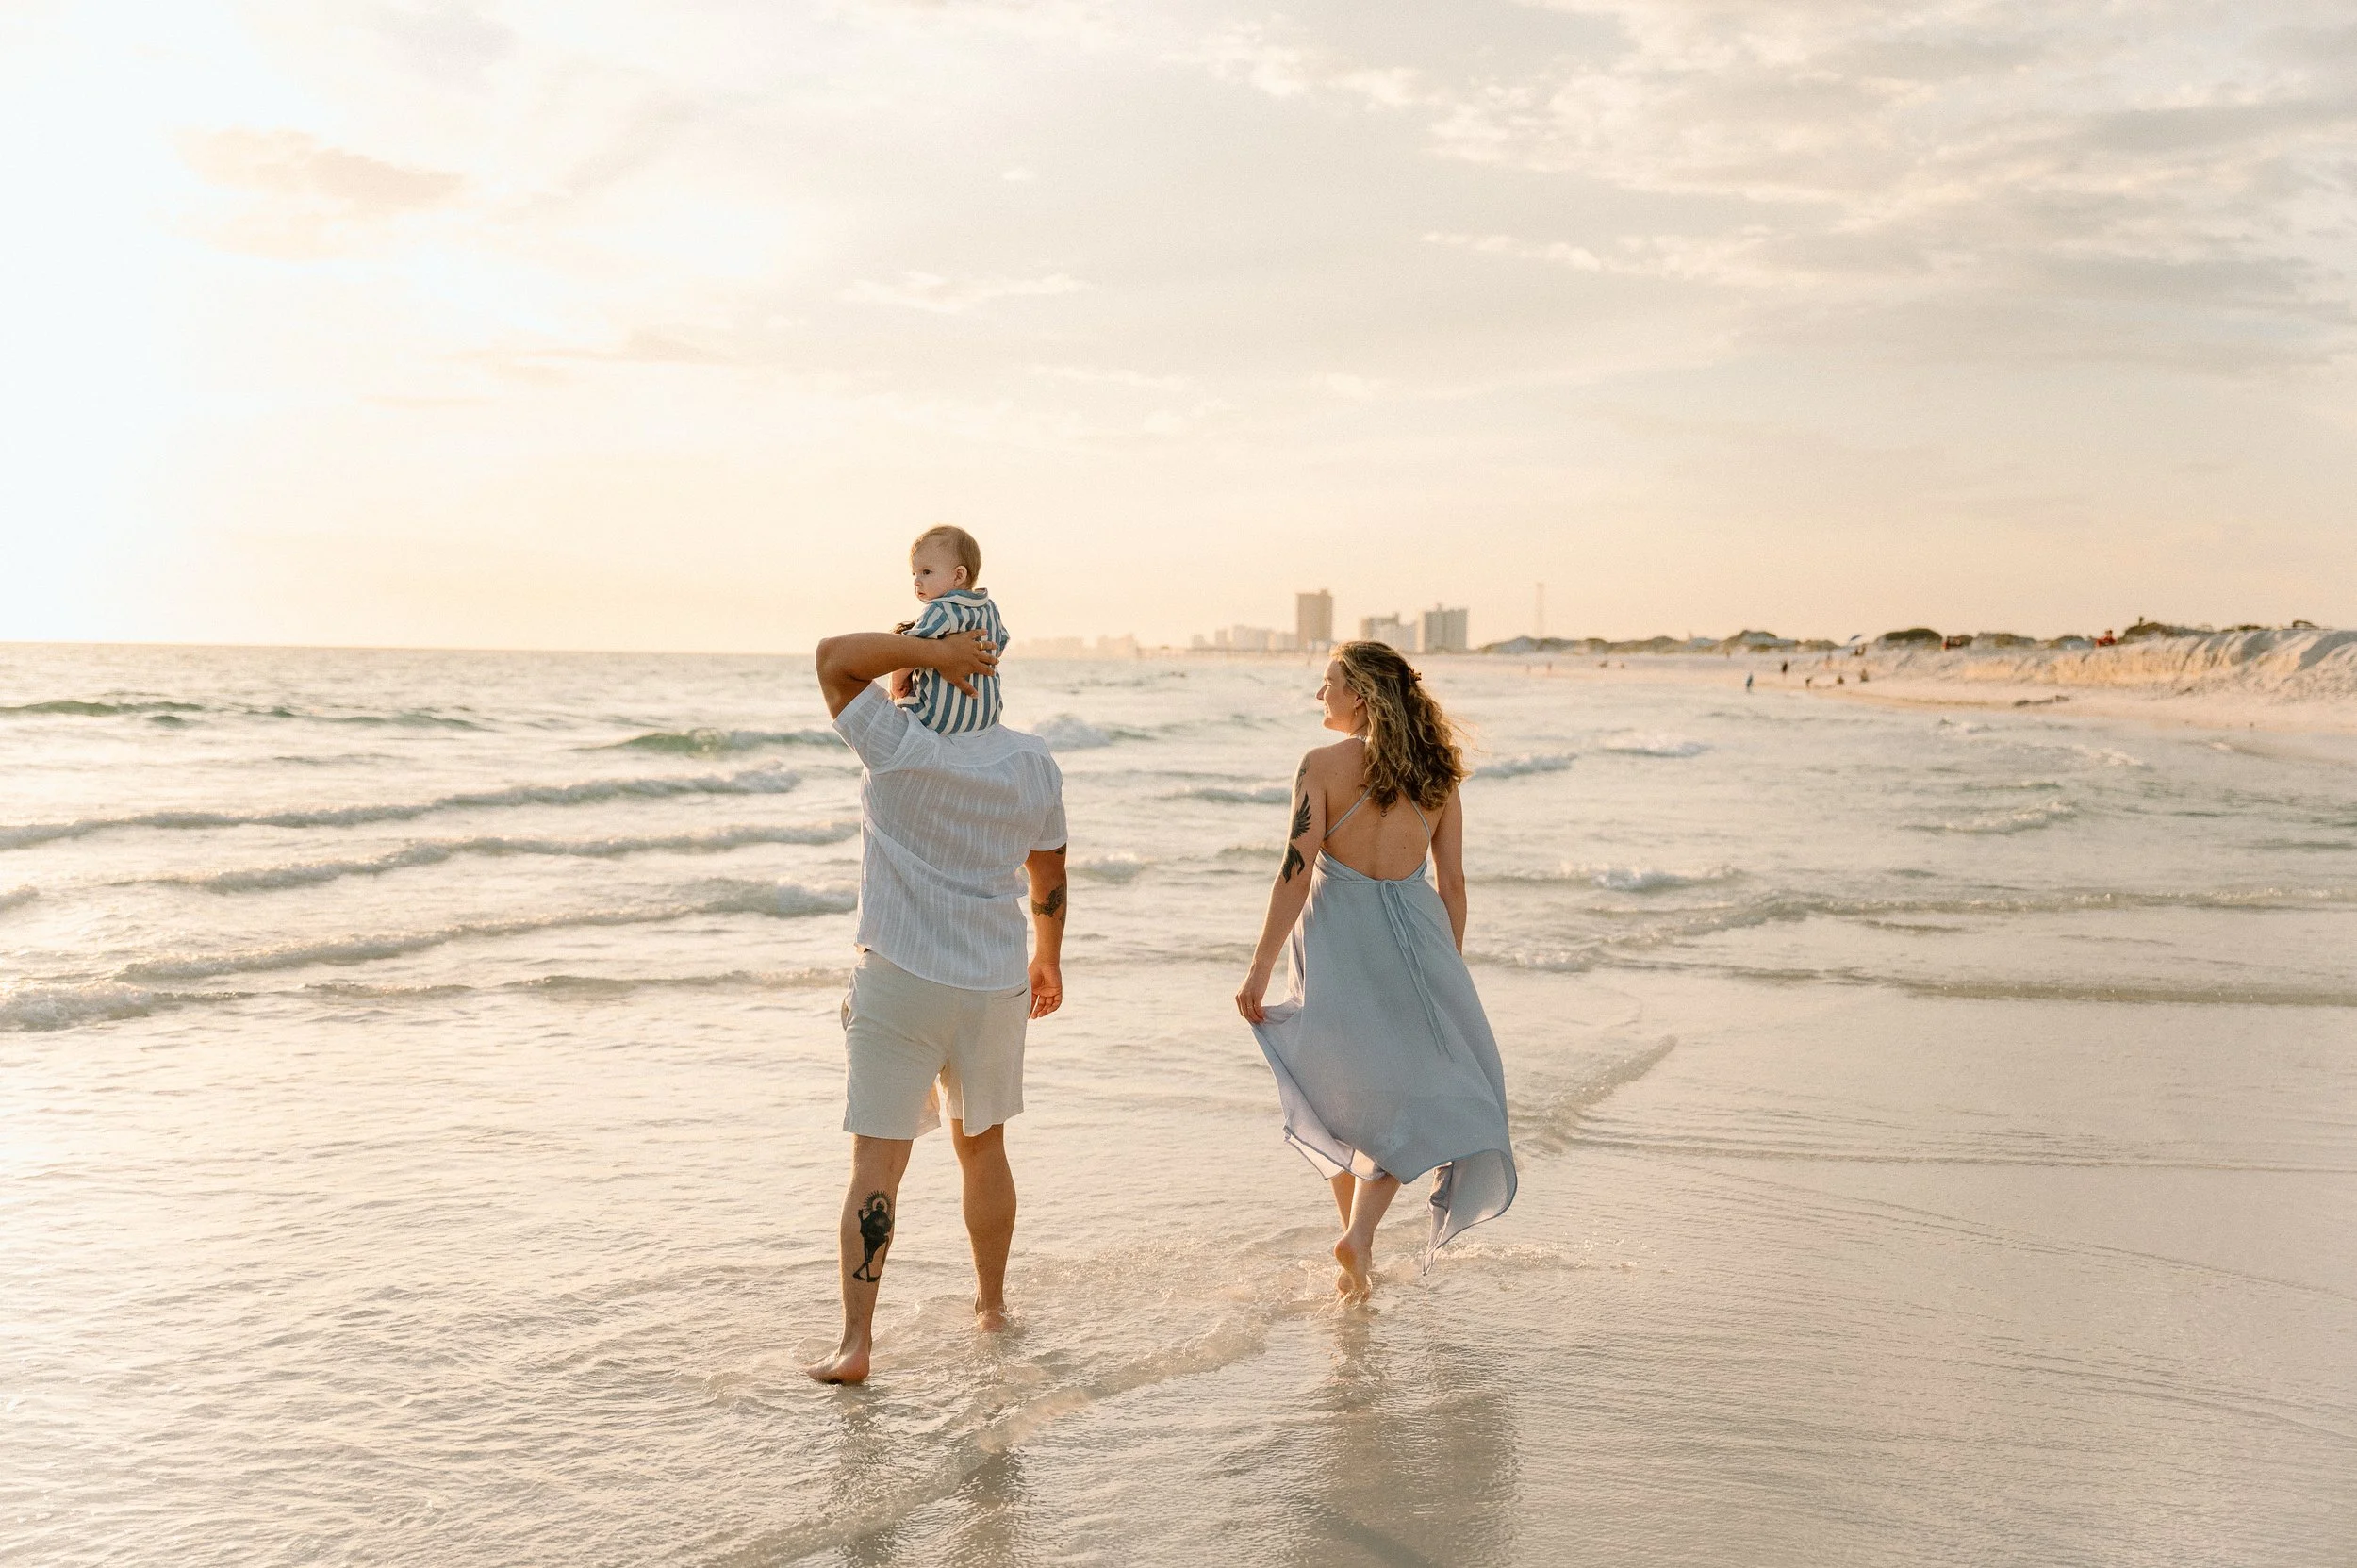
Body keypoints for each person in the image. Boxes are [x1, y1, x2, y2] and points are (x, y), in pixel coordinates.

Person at [804, 620, 1068, 1385]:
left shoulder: (896, 742)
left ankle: (856, 1343)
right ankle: (990, 1308)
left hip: (900, 977)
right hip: (991, 981)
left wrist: (920, 654)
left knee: (878, 1158)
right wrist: (1048, 956)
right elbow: (1047, 868)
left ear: (929, 668)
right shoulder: (1032, 759)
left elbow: (831, 660)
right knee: (982, 1147)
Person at [1234, 641, 1516, 1299]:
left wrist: (1258, 969)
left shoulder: (1322, 765)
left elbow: (1295, 873)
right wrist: (1448, 967)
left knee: (1340, 1088)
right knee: (1411, 1093)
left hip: (1338, 939)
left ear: (1358, 692)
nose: (1319, 695)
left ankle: (1356, 1241)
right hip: (1419, 940)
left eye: (1326, 682)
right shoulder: (1439, 772)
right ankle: (1356, 1242)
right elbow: (1454, 882)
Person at [888, 525, 1010, 734]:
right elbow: (1001, 642)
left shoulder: (939, 610)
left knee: (892, 710)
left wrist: (897, 682)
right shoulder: (990, 608)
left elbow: (907, 653)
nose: (917, 581)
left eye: (926, 572)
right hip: (987, 718)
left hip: (937, 719)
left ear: (958, 576)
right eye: (914, 573)